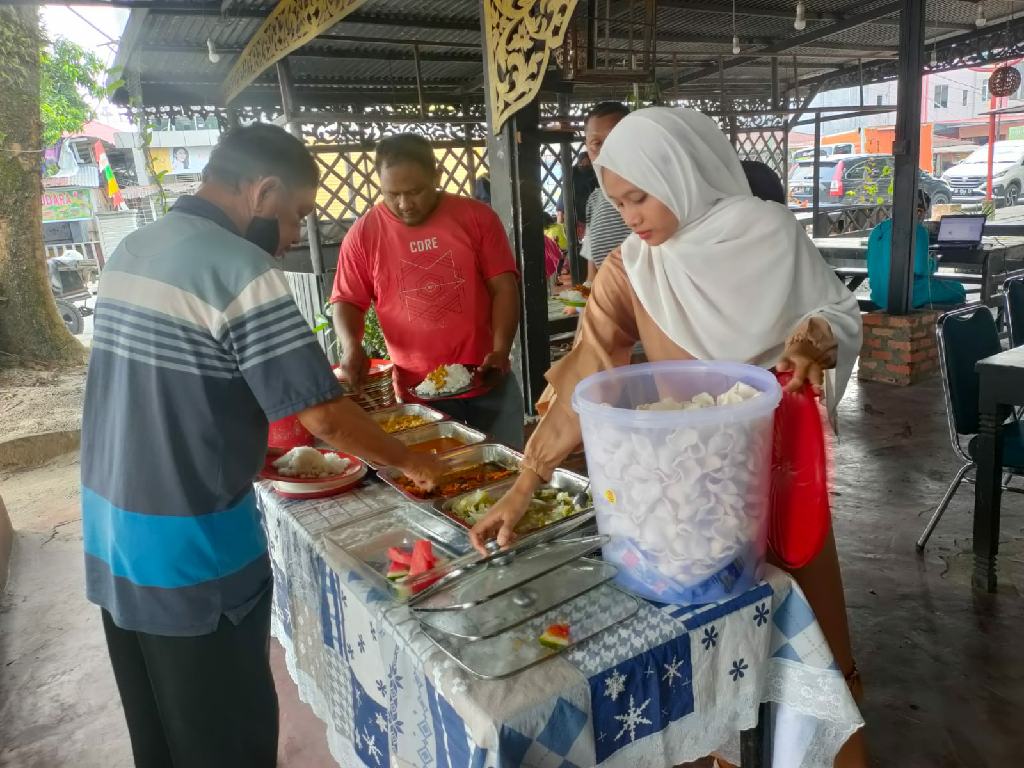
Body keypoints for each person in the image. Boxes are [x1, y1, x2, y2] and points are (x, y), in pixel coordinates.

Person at [469, 108, 868, 767]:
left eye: (639, 197)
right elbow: (587, 372)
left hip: (784, 478)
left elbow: (835, 310)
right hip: (692, 503)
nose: (628, 216)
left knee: (813, 646)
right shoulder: (631, 268)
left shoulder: (767, 232)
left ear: (680, 175)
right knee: (705, 658)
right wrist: (525, 483)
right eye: (616, 201)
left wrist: (815, 339)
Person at [81, 124, 441, 768]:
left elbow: (167, 402)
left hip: (112, 537)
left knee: (161, 737)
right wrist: (413, 459)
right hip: (191, 551)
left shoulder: (136, 247)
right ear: (264, 191)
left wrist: (256, 452)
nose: (296, 235)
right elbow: (326, 417)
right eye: (298, 214)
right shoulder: (237, 266)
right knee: (227, 741)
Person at [331, 133, 525, 448]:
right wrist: (351, 346)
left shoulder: (476, 218)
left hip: (488, 380)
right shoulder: (363, 234)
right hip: (418, 393)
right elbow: (348, 300)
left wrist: (501, 350)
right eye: (392, 194)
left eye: (416, 191)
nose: (405, 204)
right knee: (437, 476)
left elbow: (504, 287)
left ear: (437, 176)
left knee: (509, 469)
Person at [865, 189, 966, 310]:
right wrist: (934, 262)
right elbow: (921, 269)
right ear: (920, 212)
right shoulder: (918, 230)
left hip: (879, 296)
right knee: (959, 290)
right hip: (907, 295)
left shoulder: (877, 230)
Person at [580, 102, 633, 283]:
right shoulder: (594, 200)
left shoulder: (657, 194)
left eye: (615, 139)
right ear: (587, 147)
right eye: (597, 143)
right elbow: (593, 274)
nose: (607, 150)